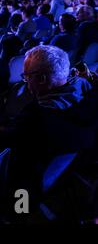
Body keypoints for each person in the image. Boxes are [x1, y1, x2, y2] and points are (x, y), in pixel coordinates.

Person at [12, 46, 97, 204]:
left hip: (30, 188)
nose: (25, 82)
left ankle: (19, 212)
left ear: (42, 79)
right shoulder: (90, 95)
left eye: (26, 76)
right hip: (73, 169)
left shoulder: (36, 117)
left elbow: (16, 158)